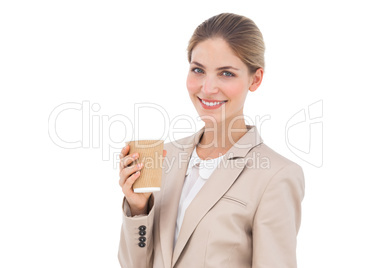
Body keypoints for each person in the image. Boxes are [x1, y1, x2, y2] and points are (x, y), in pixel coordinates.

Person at [118, 12, 305, 268]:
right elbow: (133, 265)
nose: (207, 88)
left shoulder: (276, 175)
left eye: (226, 73)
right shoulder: (166, 157)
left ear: (256, 79)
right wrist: (138, 208)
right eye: (198, 70)